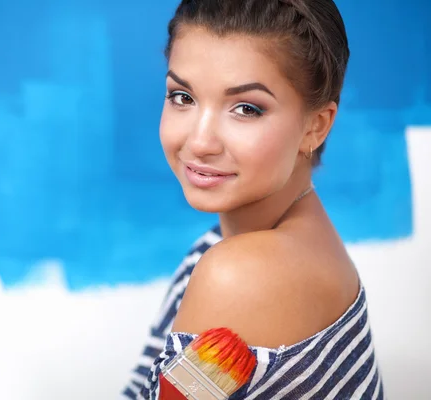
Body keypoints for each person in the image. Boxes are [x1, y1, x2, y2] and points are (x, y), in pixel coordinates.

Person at [120, 0, 384, 399]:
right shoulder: (280, 240)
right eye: (182, 97)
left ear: (316, 126)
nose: (200, 141)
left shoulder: (245, 274)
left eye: (246, 108)